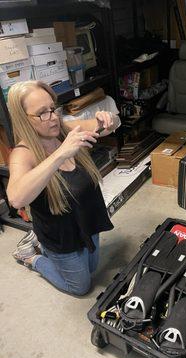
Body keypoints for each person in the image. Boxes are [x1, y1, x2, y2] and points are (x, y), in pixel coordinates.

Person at [6, 80, 120, 296]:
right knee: (80, 286)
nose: (53, 117)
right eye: (42, 113)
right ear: (23, 118)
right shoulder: (23, 154)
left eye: (52, 108)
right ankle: (31, 256)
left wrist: (109, 119)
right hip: (60, 235)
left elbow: (110, 125)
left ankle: (41, 247)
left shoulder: (64, 128)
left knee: (93, 269)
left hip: (87, 221)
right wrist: (61, 154)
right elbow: (16, 199)